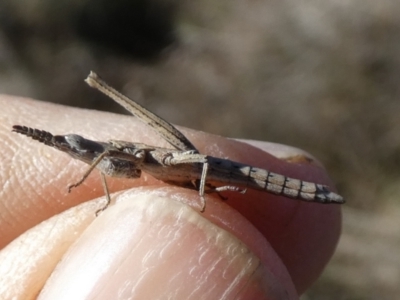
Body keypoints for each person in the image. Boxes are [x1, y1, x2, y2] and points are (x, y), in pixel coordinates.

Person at [0, 95, 342, 299]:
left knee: (200, 161)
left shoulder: (109, 155)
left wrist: (206, 193)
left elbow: (113, 160)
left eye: (82, 154)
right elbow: (113, 166)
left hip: (196, 163)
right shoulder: (106, 159)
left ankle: (213, 188)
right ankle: (211, 189)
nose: (86, 158)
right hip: (175, 169)